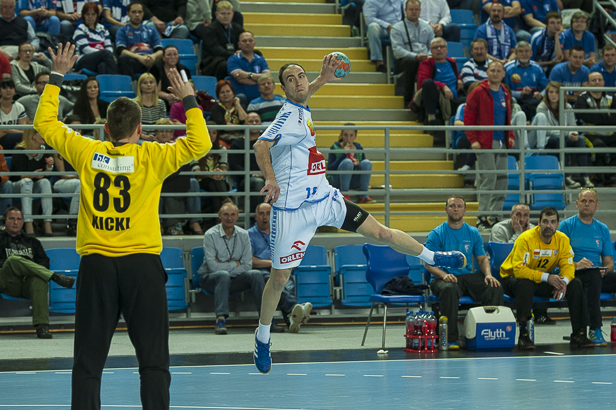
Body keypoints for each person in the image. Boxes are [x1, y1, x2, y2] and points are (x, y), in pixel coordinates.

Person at [252, 55, 466, 374]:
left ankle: (433, 257)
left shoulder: (300, 106)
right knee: (279, 278)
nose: (299, 82)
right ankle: (262, 336)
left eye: (301, 75)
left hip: (324, 197)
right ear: (283, 88)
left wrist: (322, 78)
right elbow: (260, 145)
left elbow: (304, 94)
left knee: (382, 233)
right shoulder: (286, 115)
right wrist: (270, 178)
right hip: (292, 210)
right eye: (291, 79)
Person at [34, 42, 212, 409]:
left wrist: (56, 77)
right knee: (153, 360)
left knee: (88, 361)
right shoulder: (152, 155)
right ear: (140, 128)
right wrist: (189, 99)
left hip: (97, 265)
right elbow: (200, 142)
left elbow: (44, 124)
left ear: (105, 128)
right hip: (141, 266)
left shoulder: (88, 151)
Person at [500, 206, 594, 350]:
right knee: (525, 284)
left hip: (541, 280)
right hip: (513, 279)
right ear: (539, 223)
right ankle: (524, 335)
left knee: (575, 284)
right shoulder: (525, 239)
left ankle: (579, 334)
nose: (549, 225)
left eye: (552, 222)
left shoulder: (562, 239)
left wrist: (563, 282)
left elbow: (568, 266)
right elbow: (519, 270)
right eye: (545, 221)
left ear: (558, 224)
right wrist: (547, 277)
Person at [426, 195, 504, 349]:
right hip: (442, 278)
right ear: (446, 209)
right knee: (449, 289)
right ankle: (450, 339)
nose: (456, 209)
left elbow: (482, 259)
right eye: (452, 206)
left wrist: (488, 275)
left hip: (466, 277)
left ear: (465, 210)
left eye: (459, 206)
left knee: (494, 287)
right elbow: (429, 264)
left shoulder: (473, 232)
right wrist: (444, 275)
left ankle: (490, 335)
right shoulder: (436, 233)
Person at [0, 207, 75, 338]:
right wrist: (20, 266)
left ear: (23, 221)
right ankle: (54, 277)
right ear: (4, 221)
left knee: (39, 279)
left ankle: (42, 327)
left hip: (27, 284)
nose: (15, 222)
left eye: (18, 219)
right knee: (13, 260)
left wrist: (29, 270)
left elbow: (44, 262)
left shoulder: (32, 242)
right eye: (11, 219)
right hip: (7, 281)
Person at [197, 201, 265, 334]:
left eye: (233, 214)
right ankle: (220, 320)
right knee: (222, 275)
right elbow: (213, 267)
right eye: (226, 214)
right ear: (219, 215)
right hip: (210, 279)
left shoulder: (244, 234)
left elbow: (247, 264)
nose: (229, 218)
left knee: (256, 274)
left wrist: (227, 267)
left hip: (234, 279)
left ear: (237, 216)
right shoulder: (210, 235)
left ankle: (266, 320)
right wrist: (235, 263)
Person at [559, 188, 615, 346]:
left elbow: (609, 262)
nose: (587, 204)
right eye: (583, 201)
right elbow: (557, 258)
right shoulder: (566, 226)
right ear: (577, 204)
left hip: (596, 274)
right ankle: (595, 328)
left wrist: (605, 269)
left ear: (597, 205)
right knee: (592, 277)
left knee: (595, 275)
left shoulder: (602, 228)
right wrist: (575, 264)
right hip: (574, 273)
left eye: (591, 201)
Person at [464, 61, 515, 230]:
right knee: (489, 178)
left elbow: (508, 118)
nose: (495, 73)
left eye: (499, 71)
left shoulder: (505, 92)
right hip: (485, 141)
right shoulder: (478, 92)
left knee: (502, 180)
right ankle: (482, 217)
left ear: (503, 74)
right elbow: (468, 117)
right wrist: (473, 139)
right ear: (487, 72)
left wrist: (510, 135)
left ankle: (495, 216)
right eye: (492, 70)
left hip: (501, 141)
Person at [248, 202, 312, 333]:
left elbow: (292, 256)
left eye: (268, 213)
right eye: (261, 214)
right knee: (270, 279)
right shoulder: (248, 234)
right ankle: (294, 309)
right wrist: (272, 263)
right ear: (255, 216)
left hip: (280, 269)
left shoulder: (282, 232)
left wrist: (285, 264)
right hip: (260, 270)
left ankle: (292, 320)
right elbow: (250, 260)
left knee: (288, 283)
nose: (265, 217)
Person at [490, 202, 554, 324]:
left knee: (543, 275)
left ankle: (540, 314)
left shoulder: (535, 230)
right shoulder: (499, 229)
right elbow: (504, 256)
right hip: (506, 273)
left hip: (529, 270)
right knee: (525, 282)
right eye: (518, 215)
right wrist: (519, 234)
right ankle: (524, 322)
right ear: (511, 215)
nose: (522, 219)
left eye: (526, 215)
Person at [155, 118, 203, 235]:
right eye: (161, 131)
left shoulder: (178, 147)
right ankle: (160, 223)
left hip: (176, 179)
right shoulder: (151, 148)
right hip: (159, 180)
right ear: (156, 133)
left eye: (168, 131)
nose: (164, 133)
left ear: (172, 133)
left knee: (193, 183)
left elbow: (185, 167)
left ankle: (195, 221)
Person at [410, 38, 465, 127]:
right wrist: (443, 86)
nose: (439, 49)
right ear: (431, 51)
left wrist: (459, 79)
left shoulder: (452, 62)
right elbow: (423, 82)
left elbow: (456, 75)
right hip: (434, 100)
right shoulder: (426, 63)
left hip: (453, 99)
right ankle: (431, 118)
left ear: (446, 49)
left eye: (442, 47)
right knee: (428, 83)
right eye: (436, 47)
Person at [574, 72, 616, 186]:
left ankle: (610, 177)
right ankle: (597, 177)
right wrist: (606, 115)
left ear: (603, 82)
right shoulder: (582, 98)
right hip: (589, 133)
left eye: (599, 80)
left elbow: (614, 118)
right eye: (593, 80)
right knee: (599, 146)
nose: (597, 82)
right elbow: (585, 116)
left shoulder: (612, 97)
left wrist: (597, 117)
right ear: (588, 84)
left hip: (610, 133)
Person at [10, 127, 54, 236]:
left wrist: (49, 167)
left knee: (45, 183)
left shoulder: (44, 150)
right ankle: (28, 223)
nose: (44, 135)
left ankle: (47, 222)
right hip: (19, 185)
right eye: (41, 132)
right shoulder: (19, 150)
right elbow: (15, 176)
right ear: (33, 135)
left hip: (34, 184)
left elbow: (46, 176)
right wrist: (32, 175)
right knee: (27, 182)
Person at [390, 0, 434, 108]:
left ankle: (431, 102)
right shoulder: (397, 28)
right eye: (411, 9)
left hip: (426, 59)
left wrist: (428, 56)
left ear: (420, 10)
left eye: (416, 9)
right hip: (404, 61)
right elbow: (397, 50)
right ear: (405, 10)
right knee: (411, 63)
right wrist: (415, 56)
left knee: (438, 61)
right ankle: (409, 101)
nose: (414, 12)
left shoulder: (427, 27)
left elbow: (432, 45)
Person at [115, 1, 163, 80]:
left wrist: (153, 56)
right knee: (123, 59)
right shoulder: (122, 30)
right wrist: (139, 58)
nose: (137, 15)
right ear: (128, 13)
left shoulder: (151, 30)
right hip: (134, 60)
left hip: (150, 60)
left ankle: (158, 87)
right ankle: (131, 85)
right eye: (134, 12)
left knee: (164, 59)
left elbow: (160, 50)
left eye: (139, 12)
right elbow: (121, 50)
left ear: (143, 14)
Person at [228, 111, 265, 212]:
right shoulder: (237, 143)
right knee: (258, 182)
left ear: (261, 124)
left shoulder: (268, 141)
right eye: (250, 121)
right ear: (244, 124)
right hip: (247, 179)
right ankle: (256, 217)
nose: (254, 123)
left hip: (269, 176)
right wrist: (252, 174)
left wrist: (265, 174)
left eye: (256, 121)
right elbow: (235, 165)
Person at [327, 123, 373, 204]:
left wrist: (357, 163)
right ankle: (344, 194)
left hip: (354, 180)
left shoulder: (358, 147)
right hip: (338, 180)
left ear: (355, 136)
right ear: (341, 135)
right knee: (347, 162)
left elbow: (364, 166)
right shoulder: (335, 147)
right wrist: (343, 154)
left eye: (351, 135)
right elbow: (330, 168)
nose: (348, 138)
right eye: (345, 135)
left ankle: (363, 195)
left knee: (367, 163)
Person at [200, 0, 244, 80]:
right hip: (215, 60)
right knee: (225, 64)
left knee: (256, 55)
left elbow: (244, 41)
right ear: (216, 14)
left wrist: (241, 51)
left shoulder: (237, 28)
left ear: (232, 14)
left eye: (228, 14)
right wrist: (233, 54)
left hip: (233, 56)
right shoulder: (210, 30)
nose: (226, 16)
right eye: (223, 14)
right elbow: (215, 49)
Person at [504, 41, 547, 119]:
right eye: (521, 51)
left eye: (527, 51)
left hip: (534, 100)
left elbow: (546, 88)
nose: (524, 54)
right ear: (516, 53)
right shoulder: (507, 68)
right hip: (516, 100)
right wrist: (520, 94)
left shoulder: (537, 67)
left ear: (531, 53)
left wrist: (540, 94)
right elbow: (505, 90)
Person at [197, 120, 231, 218]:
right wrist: (211, 174)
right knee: (213, 183)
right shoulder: (196, 149)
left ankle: (218, 216)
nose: (211, 135)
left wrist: (220, 172)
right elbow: (197, 173)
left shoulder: (221, 149)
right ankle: (227, 202)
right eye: (208, 132)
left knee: (214, 184)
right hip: (202, 181)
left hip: (218, 181)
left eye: (214, 133)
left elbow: (224, 169)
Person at [72, 2, 118, 75]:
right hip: (83, 60)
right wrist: (103, 53)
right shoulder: (80, 29)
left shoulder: (102, 28)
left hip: (100, 59)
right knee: (106, 53)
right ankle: (116, 78)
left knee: (103, 66)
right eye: (87, 14)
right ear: (83, 15)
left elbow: (108, 46)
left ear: (97, 15)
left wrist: (105, 54)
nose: (90, 17)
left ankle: (105, 82)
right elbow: (86, 49)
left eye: (93, 14)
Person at [228, 31, 271, 105]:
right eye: (244, 41)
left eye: (250, 41)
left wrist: (248, 75)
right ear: (239, 44)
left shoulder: (260, 59)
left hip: (260, 98)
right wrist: (260, 80)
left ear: (254, 43)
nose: (247, 43)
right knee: (241, 98)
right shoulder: (233, 59)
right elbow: (240, 78)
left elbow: (268, 76)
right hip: (240, 98)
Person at [363, 0, 404, 73]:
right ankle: (378, 62)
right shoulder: (371, 1)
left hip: (399, 28)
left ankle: (403, 66)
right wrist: (387, 25)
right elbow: (369, 19)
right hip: (383, 29)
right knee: (373, 27)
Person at [150, 45, 192, 112]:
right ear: (163, 57)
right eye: (169, 55)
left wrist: (178, 98)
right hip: (161, 100)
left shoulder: (184, 70)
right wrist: (168, 96)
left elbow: (188, 89)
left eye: (175, 54)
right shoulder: (156, 69)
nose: (172, 57)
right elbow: (154, 91)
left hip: (180, 99)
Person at [53, 143, 80, 236]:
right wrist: (76, 176)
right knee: (80, 184)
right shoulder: (58, 148)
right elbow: (62, 174)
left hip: (78, 181)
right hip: (61, 182)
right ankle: (73, 221)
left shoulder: (81, 148)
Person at [210, 79, 247, 146]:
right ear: (218, 95)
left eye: (228, 91)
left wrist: (238, 105)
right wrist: (241, 127)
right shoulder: (215, 108)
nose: (225, 94)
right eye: (222, 92)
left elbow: (246, 122)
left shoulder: (240, 106)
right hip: (222, 137)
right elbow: (222, 126)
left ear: (233, 93)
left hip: (241, 137)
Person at [133, 72, 166, 142]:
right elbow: (132, 126)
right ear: (140, 86)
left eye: (151, 82)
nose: (148, 85)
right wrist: (144, 136)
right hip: (139, 138)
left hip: (156, 138)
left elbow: (162, 124)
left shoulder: (161, 103)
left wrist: (158, 137)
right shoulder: (134, 104)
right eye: (145, 83)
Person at [529, 10, 564, 76]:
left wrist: (556, 37)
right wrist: (550, 62)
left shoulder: (561, 36)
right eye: (552, 23)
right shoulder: (536, 38)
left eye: (558, 23)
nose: (556, 26)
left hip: (549, 66)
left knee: (558, 65)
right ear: (547, 25)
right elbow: (530, 62)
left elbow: (558, 58)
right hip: (535, 66)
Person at [0, 78, 29, 151]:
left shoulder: (19, 107)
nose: (8, 90)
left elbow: (24, 130)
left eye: (11, 87)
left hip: (15, 139)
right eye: (4, 88)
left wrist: (7, 130)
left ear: (14, 90)